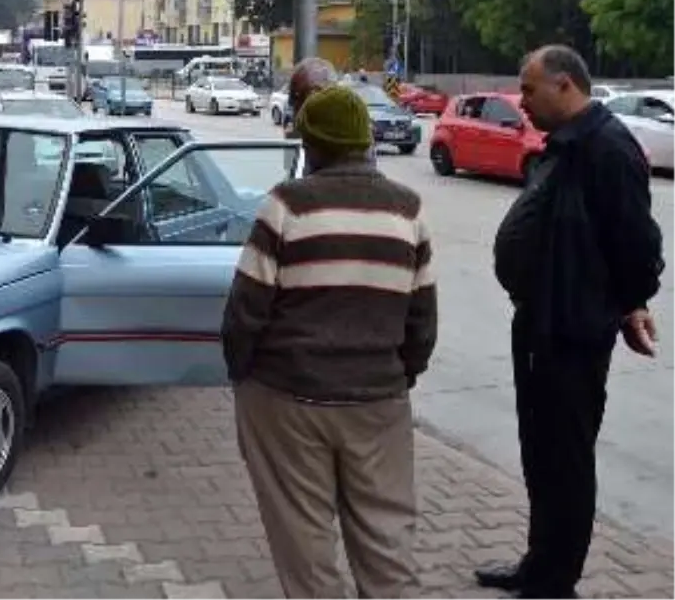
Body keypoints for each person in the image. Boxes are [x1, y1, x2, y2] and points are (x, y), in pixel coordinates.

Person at [222, 85, 437, 600]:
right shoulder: (407, 210)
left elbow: (245, 312)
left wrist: (244, 376)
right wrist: (395, 376)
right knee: (387, 538)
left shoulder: (286, 204)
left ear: (312, 146)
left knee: (304, 540)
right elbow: (422, 320)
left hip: (286, 398)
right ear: (365, 144)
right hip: (378, 402)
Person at [478, 45, 663, 600]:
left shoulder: (608, 149)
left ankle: (556, 583)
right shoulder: (567, 145)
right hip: (539, 322)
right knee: (540, 451)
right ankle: (538, 565)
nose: (522, 100)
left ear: (565, 86)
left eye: (529, 89)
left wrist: (629, 302)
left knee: (566, 459)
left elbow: (637, 244)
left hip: (573, 331)